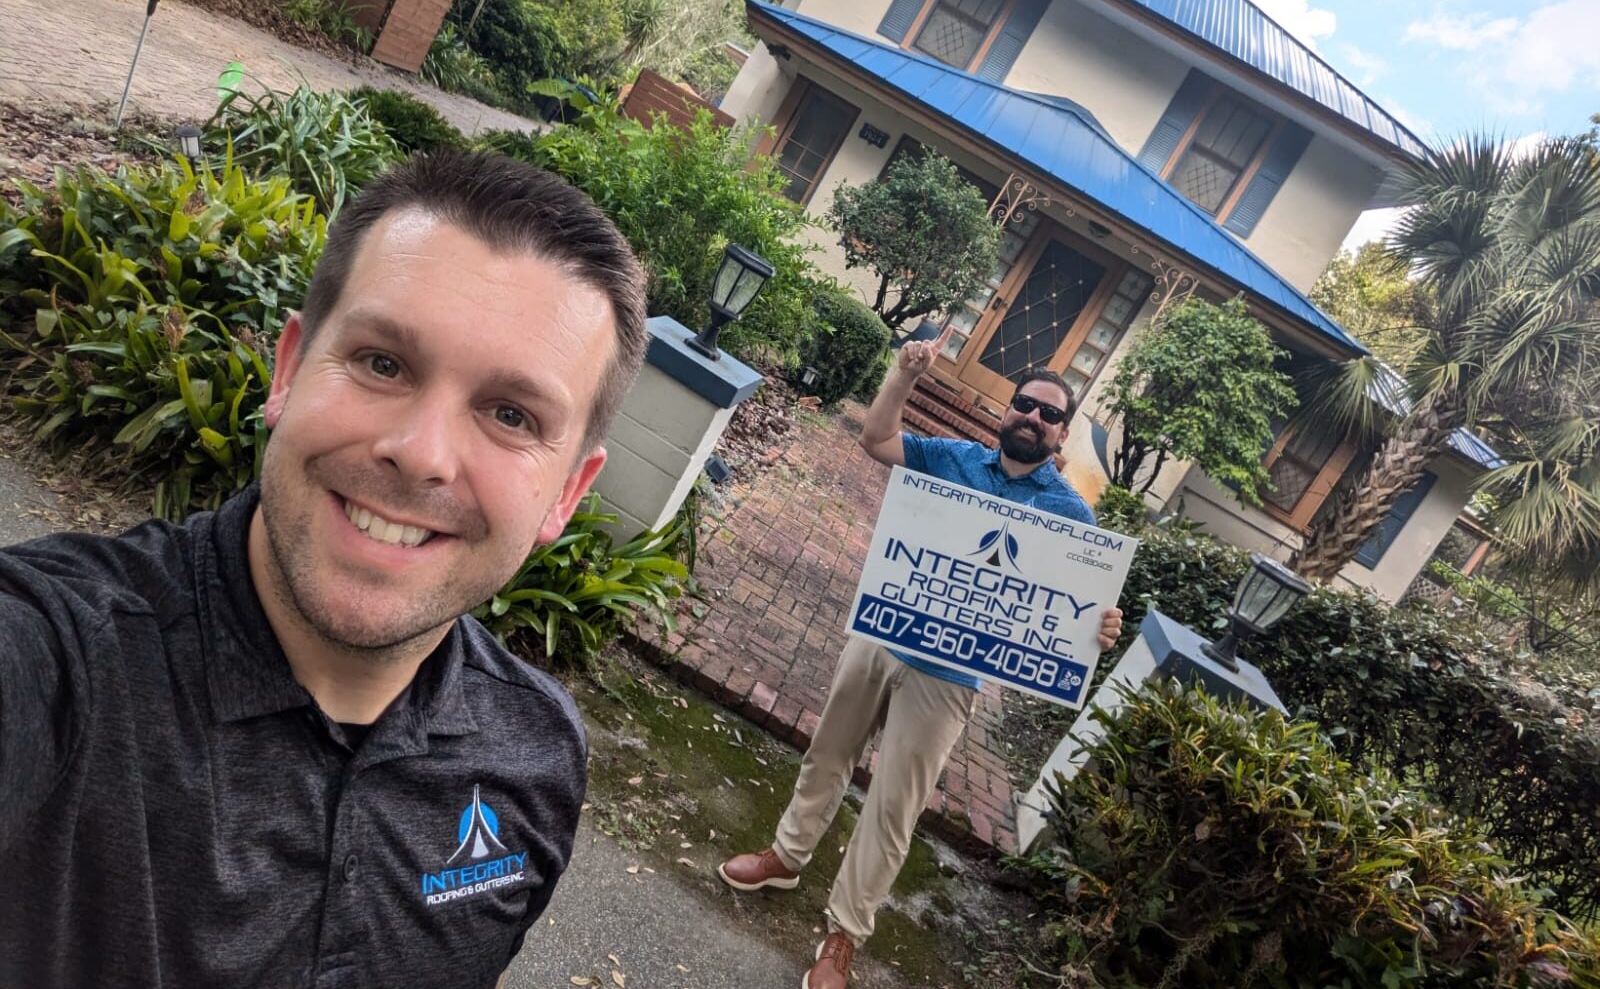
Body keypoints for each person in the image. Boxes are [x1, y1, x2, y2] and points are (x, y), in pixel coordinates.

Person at [0, 151, 649, 988]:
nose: (420, 455)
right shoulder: (59, 663)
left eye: (511, 414)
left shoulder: (536, 760)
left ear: (566, 494)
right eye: (383, 363)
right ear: (288, 370)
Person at [717, 327, 1123, 989]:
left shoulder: (1073, 516)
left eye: (1051, 414)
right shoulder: (953, 457)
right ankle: (786, 857)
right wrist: (904, 376)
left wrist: (1096, 629)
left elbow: (1075, 609)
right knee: (827, 754)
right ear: (1008, 409)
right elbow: (876, 440)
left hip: (950, 675)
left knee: (894, 806)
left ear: (1062, 434)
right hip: (883, 635)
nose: (1035, 418)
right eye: (1027, 404)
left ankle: (844, 934)